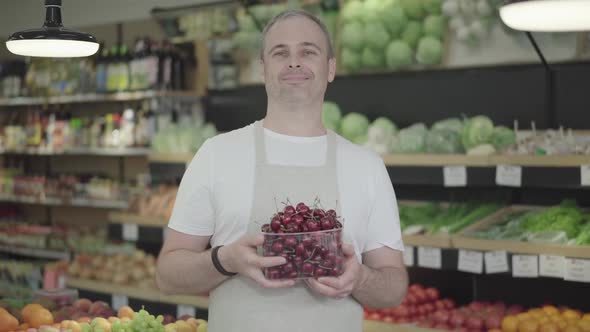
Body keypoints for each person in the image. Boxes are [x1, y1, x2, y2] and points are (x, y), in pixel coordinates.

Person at [156, 9, 408, 332]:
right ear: (263, 69)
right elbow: (167, 274)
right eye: (280, 53)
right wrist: (225, 260)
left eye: (308, 51)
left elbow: (394, 286)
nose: (294, 62)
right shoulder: (216, 155)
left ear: (330, 68)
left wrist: (359, 278)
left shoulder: (367, 167)